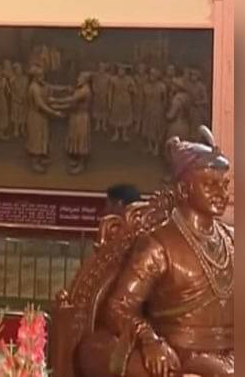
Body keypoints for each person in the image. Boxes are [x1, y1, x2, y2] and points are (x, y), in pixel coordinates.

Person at [78, 129, 233, 377]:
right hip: (180, 354)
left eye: (224, 185)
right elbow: (118, 308)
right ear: (183, 190)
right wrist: (150, 340)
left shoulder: (234, 241)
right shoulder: (158, 244)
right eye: (209, 184)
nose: (221, 194)